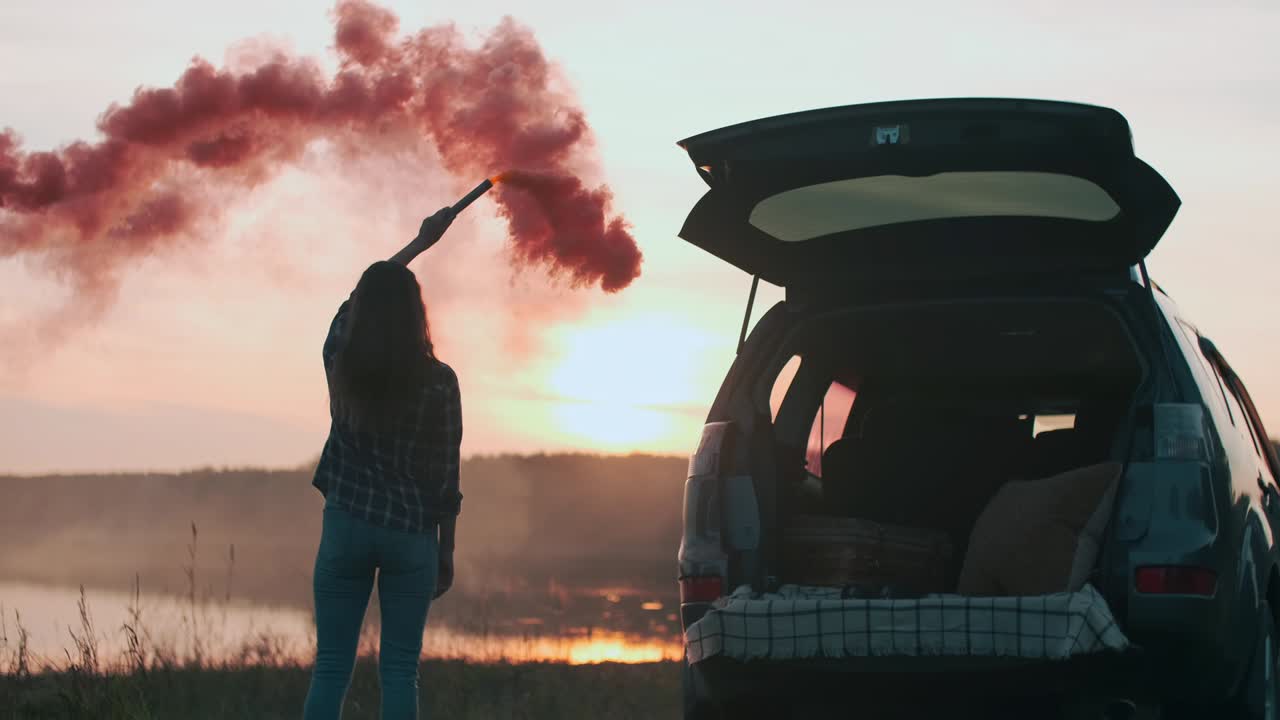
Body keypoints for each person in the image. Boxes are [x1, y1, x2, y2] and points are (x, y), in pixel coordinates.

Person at [303, 208, 462, 720]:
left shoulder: (339, 359)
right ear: (417, 314)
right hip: (411, 534)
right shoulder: (440, 382)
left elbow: (350, 306)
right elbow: (445, 478)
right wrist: (446, 553)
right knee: (399, 670)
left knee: (330, 668)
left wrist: (419, 244)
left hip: (347, 522)